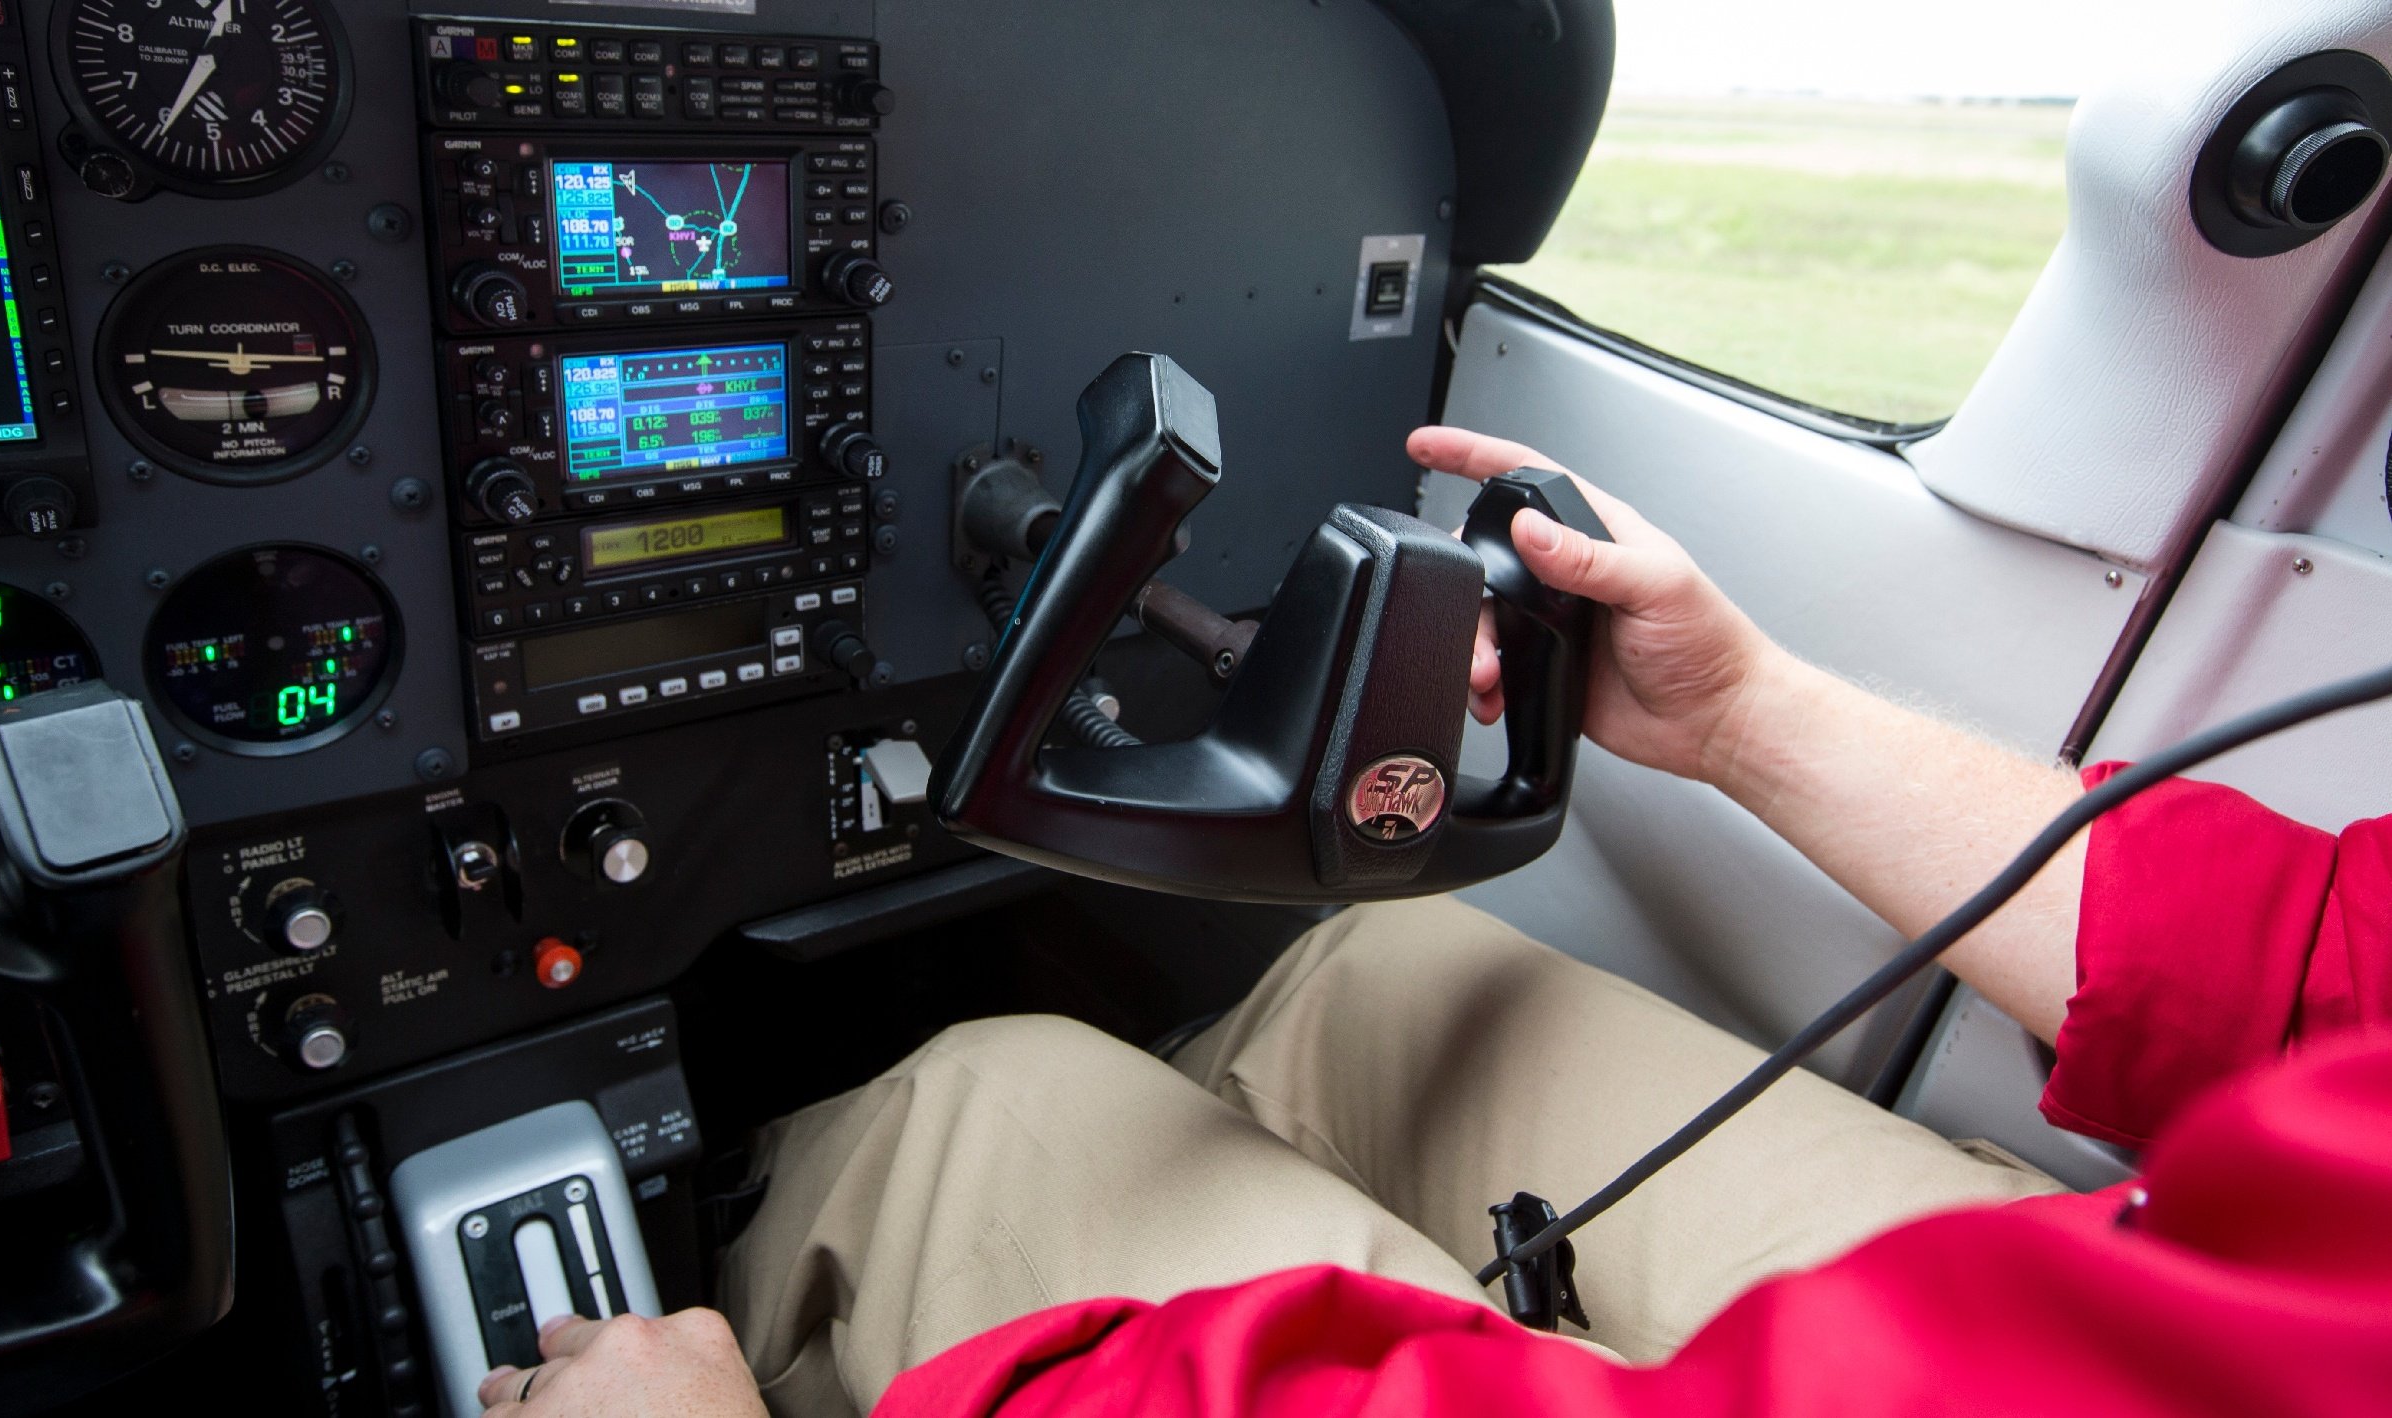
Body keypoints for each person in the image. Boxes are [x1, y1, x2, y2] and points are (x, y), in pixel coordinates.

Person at [474, 429, 2392, 1418]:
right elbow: (2329, 960)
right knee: (1395, 966)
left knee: (994, 1099)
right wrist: (1741, 715)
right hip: (2277, 1266)